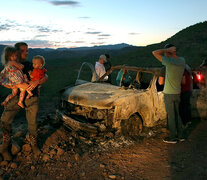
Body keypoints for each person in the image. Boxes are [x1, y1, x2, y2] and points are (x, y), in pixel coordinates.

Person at [0, 42, 48, 161]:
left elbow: (45, 75)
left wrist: (38, 82)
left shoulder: (29, 64)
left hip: (32, 98)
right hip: (17, 97)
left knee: (32, 123)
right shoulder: (10, 66)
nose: (26, 53)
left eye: (27, 50)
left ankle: (34, 145)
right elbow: (2, 81)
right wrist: (16, 84)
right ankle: (5, 147)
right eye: (23, 51)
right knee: (5, 120)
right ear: (15, 53)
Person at [152, 44, 185, 144]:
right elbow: (183, 81)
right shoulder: (182, 60)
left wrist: (166, 50)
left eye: (166, 53)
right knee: (177, 114)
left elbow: (154, 52)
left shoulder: (169, 63)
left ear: (168, 52)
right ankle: (181, 136)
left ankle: (172, 137)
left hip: (169, 93)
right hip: (178, 92)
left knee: (171, 115)